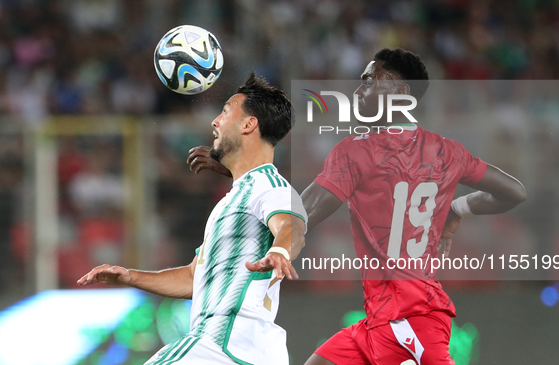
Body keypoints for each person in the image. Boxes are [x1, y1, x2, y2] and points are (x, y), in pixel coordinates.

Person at [187, 49, 526, 365]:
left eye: (369, 81)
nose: (358, 91)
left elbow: (299, 214)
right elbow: (514, 191)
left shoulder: (357, 152)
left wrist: (242, 167)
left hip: (412, 317)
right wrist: (457, 209)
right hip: (377, 322)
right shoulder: (448, 151)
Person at [78, 73, 307, 365]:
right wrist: (131, 277)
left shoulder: (267, 184)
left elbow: (291, 226)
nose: (215, 121)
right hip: (244, 351)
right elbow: (193, 278)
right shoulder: (236, 198)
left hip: (222, 343)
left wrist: (279, 249)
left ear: (249, 125)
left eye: (225, 112)